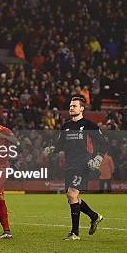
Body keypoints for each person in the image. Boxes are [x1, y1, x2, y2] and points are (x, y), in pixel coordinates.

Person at [44, 95, 105, 240]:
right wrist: (52, 149)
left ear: (82, 108)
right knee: (73, 198)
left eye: (74, 106)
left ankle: (75, 233)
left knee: (72, 194)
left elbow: (103, 144)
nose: (71, 108)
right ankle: (94, 216)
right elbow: (60, 145)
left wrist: (98, 157)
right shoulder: (66, 126)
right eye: (70, 106)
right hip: (69, 165)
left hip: (83, 164)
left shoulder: (89, 125)